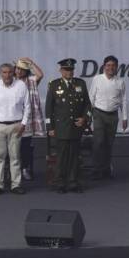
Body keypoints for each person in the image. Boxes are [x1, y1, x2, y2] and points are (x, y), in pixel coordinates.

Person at [0, 63, 31, 195]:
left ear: (13, 72)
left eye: (9, 72)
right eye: (4, 72)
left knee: (15, 157)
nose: (7, 75)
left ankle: (16, 185)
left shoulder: (21, 85)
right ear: (0, 73)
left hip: (16, 125)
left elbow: (27, 106)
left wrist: (24, 123)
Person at [46, 58, 92, 194]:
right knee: (61, 157)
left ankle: (73, 182)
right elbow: (49, 108)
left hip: (76, 127)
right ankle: (59, 182)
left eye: (71, 69)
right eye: (66, 69)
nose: (69, 72)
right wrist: (50, 127)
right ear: (61, 70)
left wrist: (85, 119)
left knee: (75, 156)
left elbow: (87, 105)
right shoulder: (54, 85)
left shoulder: (80, 83)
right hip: (61, 127)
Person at [89, 56, 128, 180]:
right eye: (108, 65)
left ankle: (106, 169)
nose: (110, 68)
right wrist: (88, 116)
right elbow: (91, 97)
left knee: (108, 143)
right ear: (104, 66)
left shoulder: (120, 81)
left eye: (113, 65)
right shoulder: (97, 79)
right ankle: (96, 169)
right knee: (98, 142)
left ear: (116, 67)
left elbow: (124, 101)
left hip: (113, 115)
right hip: (99, 113)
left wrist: (125, 117)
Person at [16, 58, 46, 182]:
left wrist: (31, 63)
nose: (18, 71)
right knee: (13, 145)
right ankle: (13, 170)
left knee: (25, 145)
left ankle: (25, 168)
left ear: (26, 71)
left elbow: (40, 74)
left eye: (22, 69)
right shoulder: (11, 81)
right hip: (14, 117)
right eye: (17, 68)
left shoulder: (31, 81)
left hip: (27, 118)